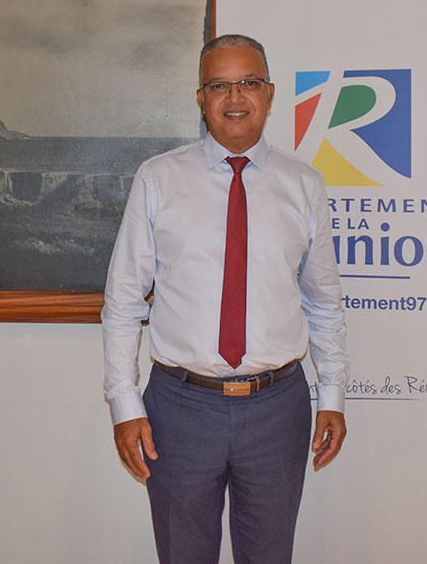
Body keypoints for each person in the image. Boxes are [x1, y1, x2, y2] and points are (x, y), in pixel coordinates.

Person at [102, 34, 349, 564]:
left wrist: (332, 394)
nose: (235, 98)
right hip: (179, 409)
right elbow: (124, 299)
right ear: (200, 98)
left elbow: (324, 301)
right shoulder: (158, 179)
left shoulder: (304, 185)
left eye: (248, 83)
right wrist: (124, 403)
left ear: (270, 93)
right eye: (218, 86)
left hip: (277, 409)